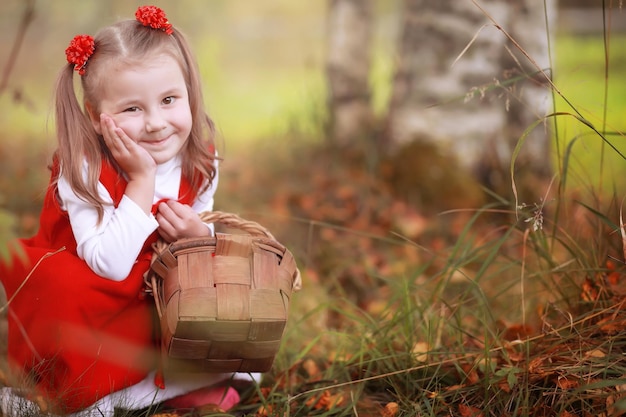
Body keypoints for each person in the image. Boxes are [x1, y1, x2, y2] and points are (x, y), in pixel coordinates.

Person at [0, 5, 256, 416]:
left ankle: (168, 386)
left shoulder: (201, 162)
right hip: (92, 301)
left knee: (211, 308)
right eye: (132, 109)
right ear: (97, 119)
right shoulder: (83, 166)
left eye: (169, 100)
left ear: (188, 93)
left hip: (154, 298)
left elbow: (204, 234)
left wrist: (198, 237)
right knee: (65, 286)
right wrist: (141, 182)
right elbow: (110, 265)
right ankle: (78, 396)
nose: (155, 123)